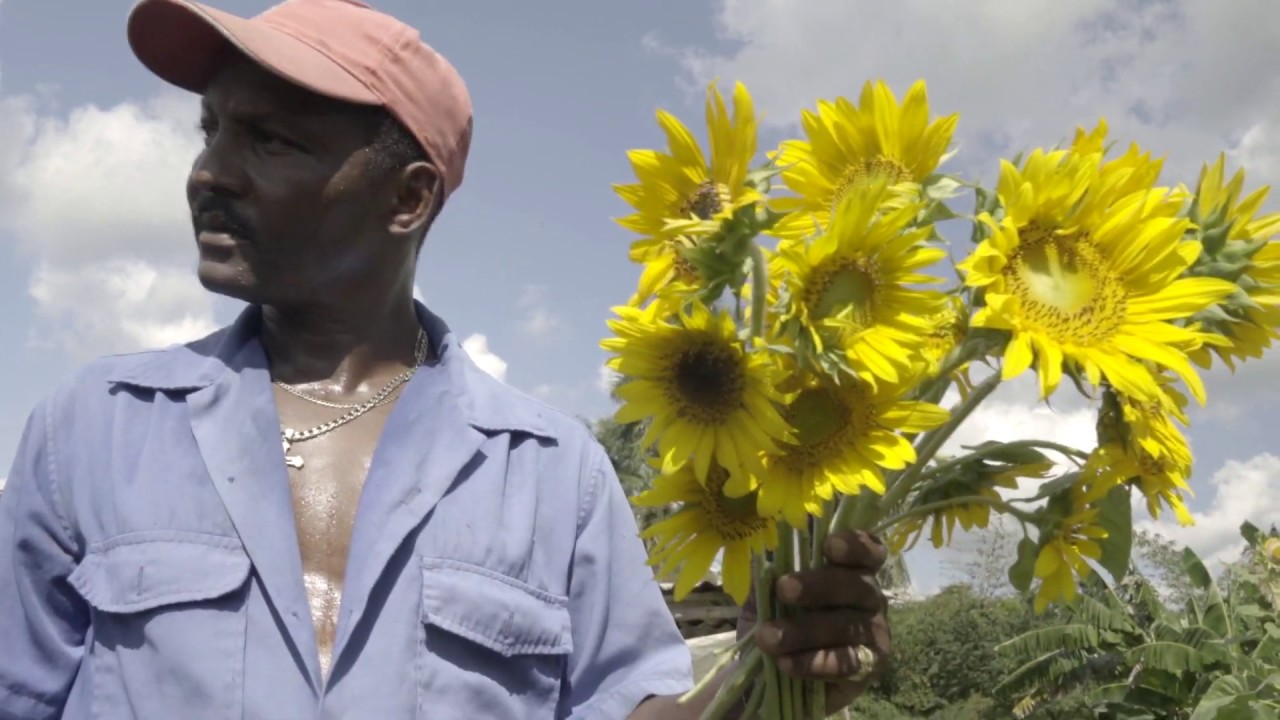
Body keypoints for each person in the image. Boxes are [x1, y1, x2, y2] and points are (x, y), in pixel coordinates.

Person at [0, 0, 892, 718]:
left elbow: (631, 708)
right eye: (211, 131)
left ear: (409, 197)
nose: (210, 172)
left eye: (270, 141)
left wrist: (774, 675)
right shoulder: (95, 429)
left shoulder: (552, 475)